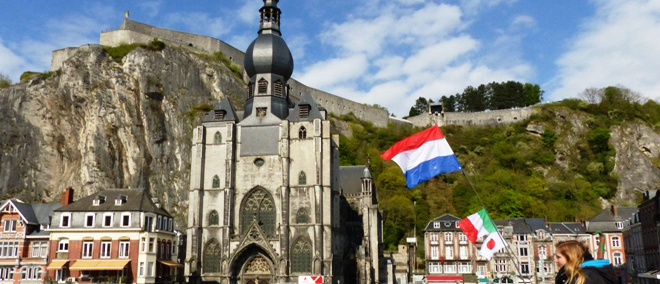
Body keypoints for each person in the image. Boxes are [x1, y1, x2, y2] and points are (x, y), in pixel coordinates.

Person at [554, 240, 619, 284]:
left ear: (571, 258)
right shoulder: (591, 273)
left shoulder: (583, 277)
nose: (555, 260)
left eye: (558, 257)